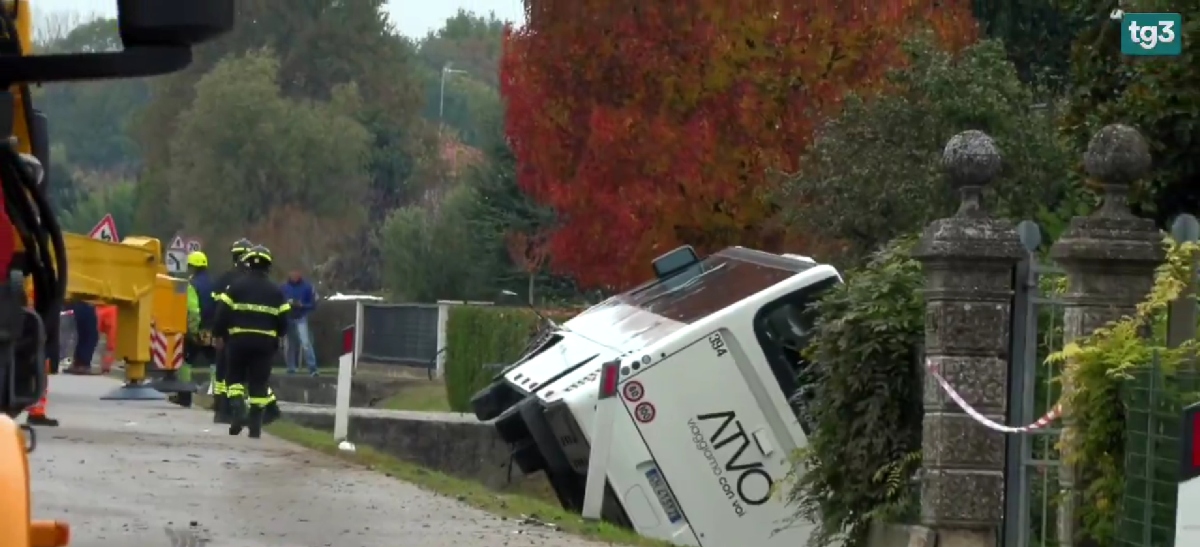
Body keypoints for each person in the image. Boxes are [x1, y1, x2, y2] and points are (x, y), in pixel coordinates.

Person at [212, 245, 289, 438]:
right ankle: (255, 428)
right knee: (258, 384)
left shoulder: (235, 287)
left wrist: (219, 334)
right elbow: (284, 321)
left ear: (248, 264)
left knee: (234, 379)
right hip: (265, 344)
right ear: (268, 266)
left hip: (238, 342)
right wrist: (277, 334)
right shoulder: (276, 291)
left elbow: (222, 313)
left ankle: (238, 411)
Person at [209, 238, 254, 424]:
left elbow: (215, 308)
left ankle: (221, 410)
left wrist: (216, 332)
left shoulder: (223, 279)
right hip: (244, 333)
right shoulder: (251, 281)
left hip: (225, 332)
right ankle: (238, 410)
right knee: (239, 373)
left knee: (222, 372)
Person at [281, 268, 319, 376]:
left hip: (301, 317)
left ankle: (312, 368)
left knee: (305, 343)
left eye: (296, 272)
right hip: (288, 317)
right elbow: (279, 302)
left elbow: (314, 303)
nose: (294, 274)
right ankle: (291, 368)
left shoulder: (308, 287)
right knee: (289, 345)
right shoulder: (283, 287)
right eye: (292, 272)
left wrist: (302, 305)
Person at [184, 251, 217, 368]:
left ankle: (185, 379)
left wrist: (193, 332)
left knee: (187, 360)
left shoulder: (192, 285)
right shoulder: (214, 283)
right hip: (211, 330)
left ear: (193, 267)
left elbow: (193, 311)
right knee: (213, 361)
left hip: (198, 329)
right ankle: (216, 380)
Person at [64, 300, 97, 375]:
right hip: (87, 300)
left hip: (79, 301)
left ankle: (79, 361)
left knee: (82, 332)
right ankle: (83, 362)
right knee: (89, 333)